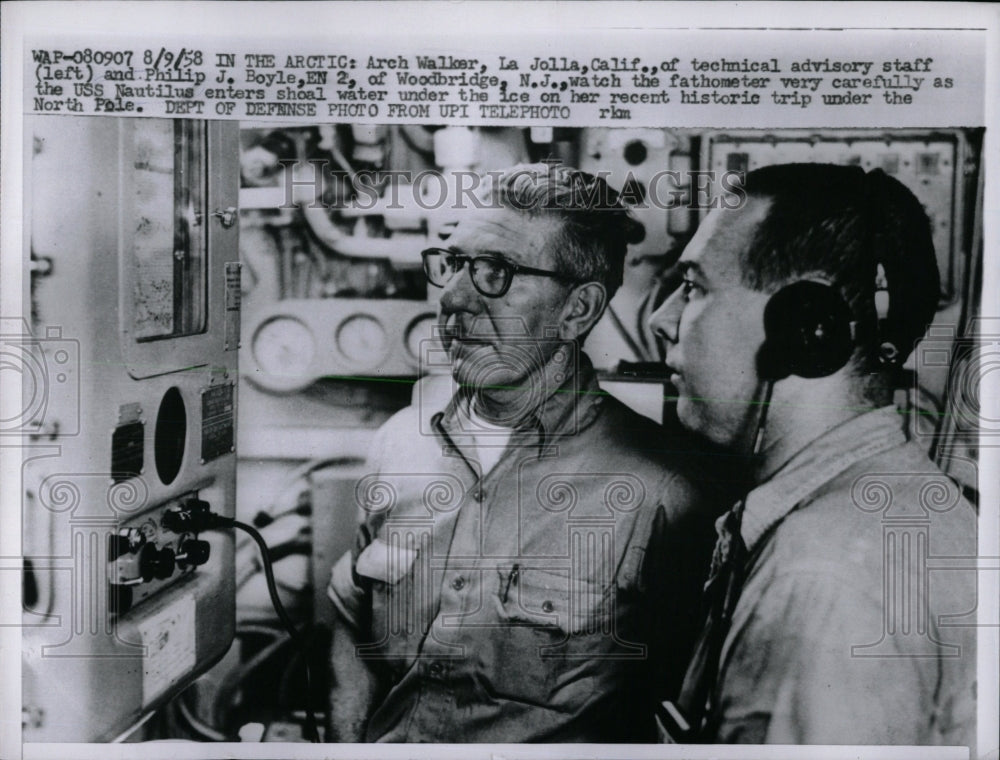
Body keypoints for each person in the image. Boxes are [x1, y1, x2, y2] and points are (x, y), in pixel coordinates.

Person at [326, 163, 717, 742]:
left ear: (577, 311)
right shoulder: (399, 442)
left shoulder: (666, 487)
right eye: (454, 264)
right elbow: (350, 628)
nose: (453, 298)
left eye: (496, 272)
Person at [649, 163, 978, 748]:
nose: (661, 318)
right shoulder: (913, 500)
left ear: (807, 329)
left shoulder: (819, 581)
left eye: (695, 287)